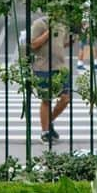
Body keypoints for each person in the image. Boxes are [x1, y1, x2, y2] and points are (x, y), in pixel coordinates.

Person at [30, 12, 71, 143]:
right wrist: (48, 32)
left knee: (65, 99)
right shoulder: (39, 23)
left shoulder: (62, 25)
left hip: (60, 67)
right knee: (46, 100)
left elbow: (62, 44)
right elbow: (33, 44)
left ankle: (49, 121)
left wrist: (75, 36)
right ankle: (45, 131)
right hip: (43, 67)